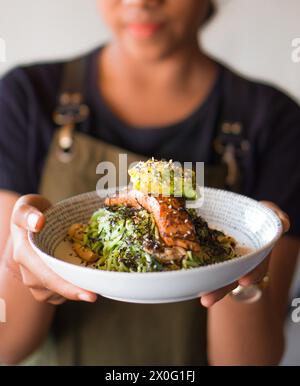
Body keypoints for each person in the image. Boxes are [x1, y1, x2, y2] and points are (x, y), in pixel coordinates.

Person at [0, 0, 299, 366]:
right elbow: (6, 347)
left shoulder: (275, 121)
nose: (141, 2)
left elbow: (252, 361)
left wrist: (247, 266)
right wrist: (19, 262)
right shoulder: (25, 99)